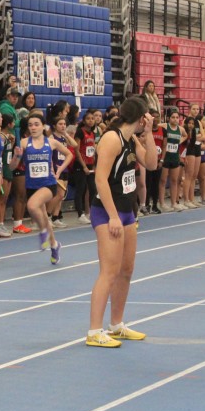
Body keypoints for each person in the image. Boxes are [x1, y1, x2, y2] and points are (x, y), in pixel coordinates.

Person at [86, 96, 157, 348]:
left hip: (127, 211)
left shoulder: (131, 139)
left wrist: (149, 134)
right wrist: (113, 216)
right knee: (109, 271)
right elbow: (100, 179)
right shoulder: (111, 139)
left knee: (126, 270)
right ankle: (94, 331)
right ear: (140, 117)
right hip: (108, 212)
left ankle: (116, 325)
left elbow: (151, 163)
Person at [9, 112, 71, 265]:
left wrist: (59, 169)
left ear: (43, 126)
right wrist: (16, 156)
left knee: (31, 206)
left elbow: (69, 154)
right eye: (30, 125)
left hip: (48, 184)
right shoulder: (24, 143)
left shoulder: (51, 142)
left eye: (36, 124)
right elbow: (11, 167)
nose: (33, 127)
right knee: (43, 215)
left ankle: (43, 232)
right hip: (32, 186)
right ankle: (54, 245)